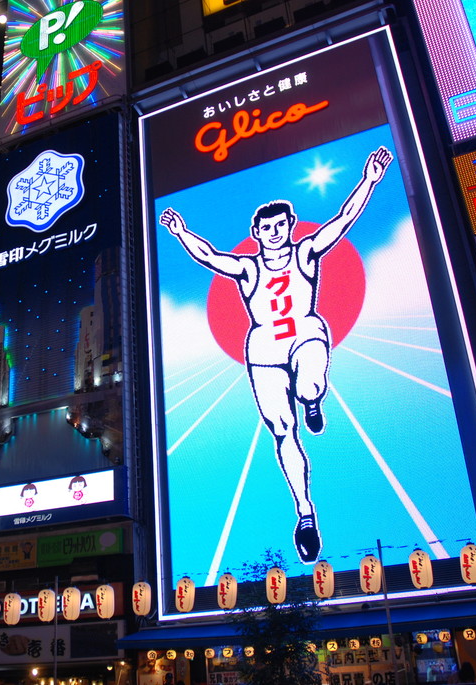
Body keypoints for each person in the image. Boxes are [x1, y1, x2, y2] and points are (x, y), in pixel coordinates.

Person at [160, 146, 393, 563]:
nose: (273, 232)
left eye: (279, 224)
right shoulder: (249, 268)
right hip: (264, 349)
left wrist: (369, 180)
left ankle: (313, 400)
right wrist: (180, 232)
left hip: (305, 332)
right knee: (283, 431)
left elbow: (342, 221)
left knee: (308, 384)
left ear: (288, 226)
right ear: (257, 231)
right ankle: (305, 513)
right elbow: (210, 256)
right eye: (265, 227)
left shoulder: (305, 252)